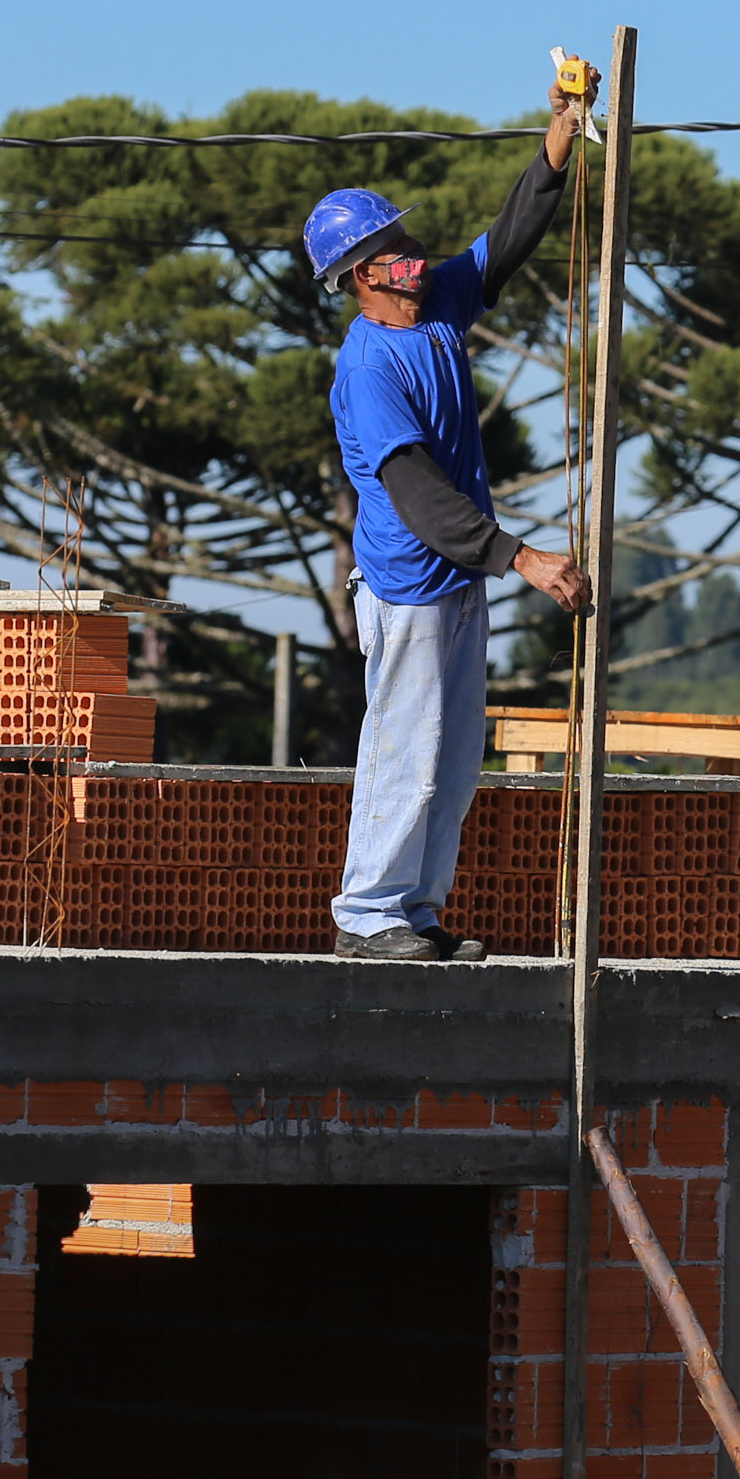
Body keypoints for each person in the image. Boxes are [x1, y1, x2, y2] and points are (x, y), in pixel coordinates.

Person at [305, 64, 596, 962]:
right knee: (405, 751)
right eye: (391, 243)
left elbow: (502, 242)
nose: (411, 247)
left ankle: (418, 912)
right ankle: (367, 916)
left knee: (453, 760)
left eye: (404, 233)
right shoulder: (370, 367)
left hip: (459, 578)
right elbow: (421, 497)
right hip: (410, 586)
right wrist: (524, 558)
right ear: (359, 276)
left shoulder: (434, 312)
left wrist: (558, 139)